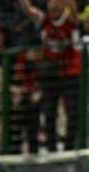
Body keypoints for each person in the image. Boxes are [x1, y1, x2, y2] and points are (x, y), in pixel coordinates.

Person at [19, 0, 80, 151]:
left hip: (70, 74)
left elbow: (74, 10)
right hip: (50, 75)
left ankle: (69, 148)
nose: (53, 6)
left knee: (72, 112)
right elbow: (28, 10)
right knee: (49, 113)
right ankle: (52, 149)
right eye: (50, 3)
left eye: (57, 2)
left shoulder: (70, 19)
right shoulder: (43, 20)